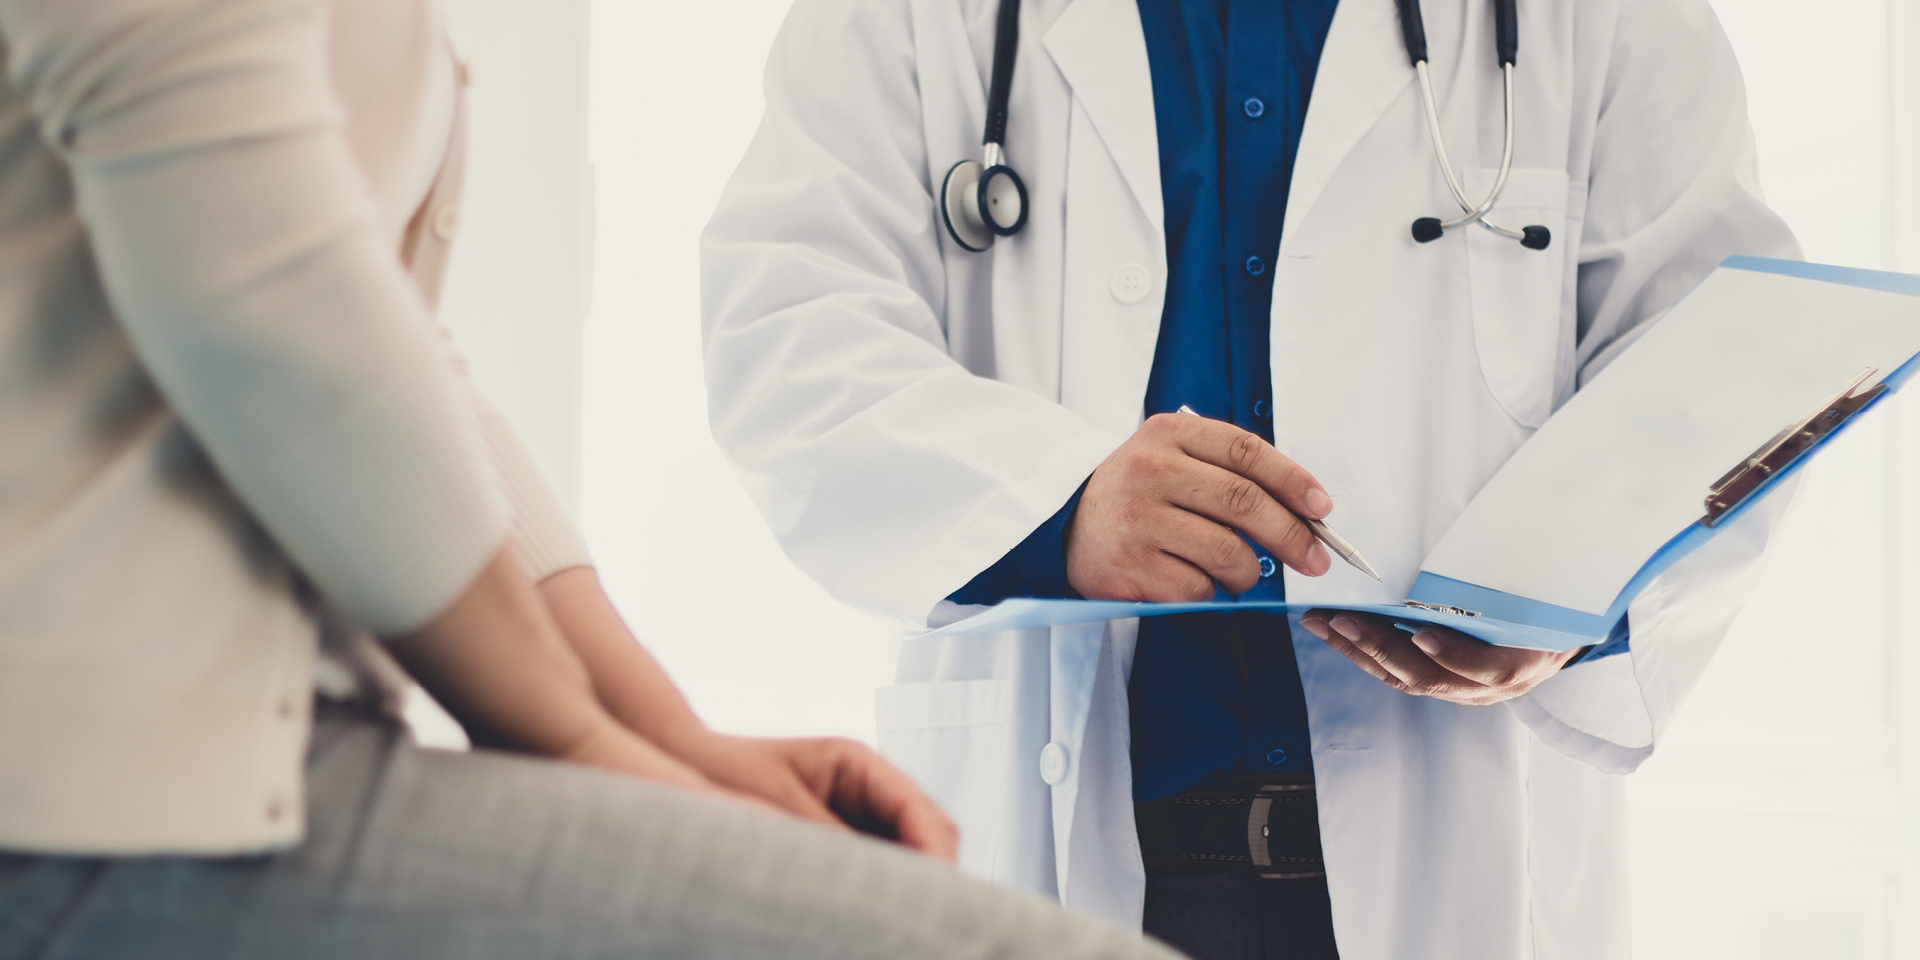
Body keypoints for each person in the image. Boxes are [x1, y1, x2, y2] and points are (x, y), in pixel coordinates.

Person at [0, 0, 1189, 956]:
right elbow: (272, 311)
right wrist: (573, 738)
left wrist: (669, 742)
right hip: (103, 798)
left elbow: (407, 369)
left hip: (227, 768)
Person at [700, 0, 1800, 957]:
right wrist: (1056, 505)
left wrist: (1581, 586)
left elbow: (1727, 352)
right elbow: (788, 332)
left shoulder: (1600, 16)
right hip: (1063, 848)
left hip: (1452, 847)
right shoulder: (911, 16)